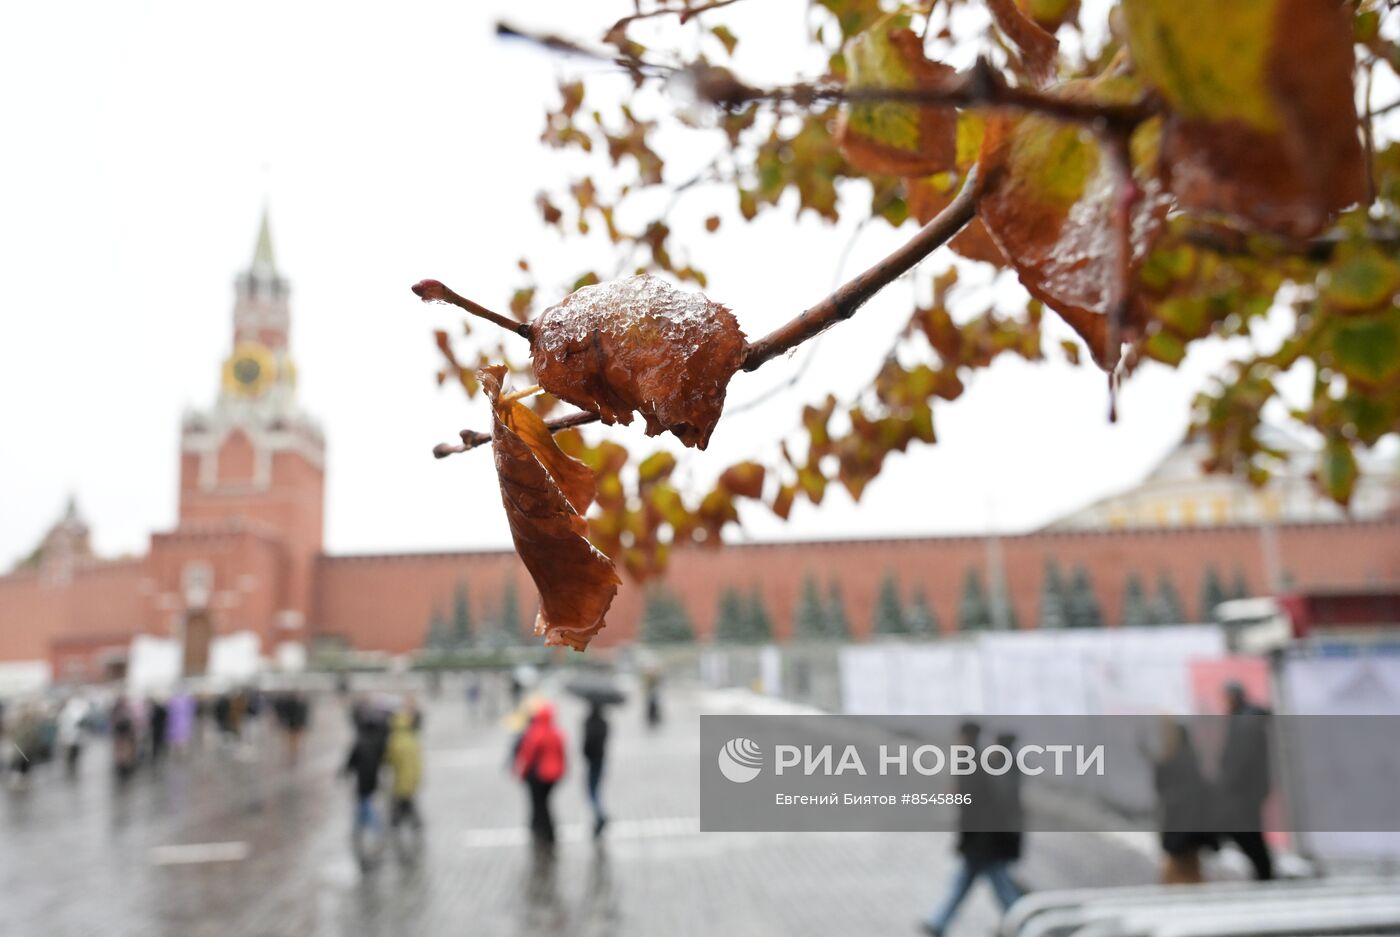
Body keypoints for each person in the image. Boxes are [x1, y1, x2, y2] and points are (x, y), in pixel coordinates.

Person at [922, 722, 1022, 936]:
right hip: (985, 840)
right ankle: (938, 922)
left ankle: (1022, 923)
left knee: (998, 885)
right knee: (973, 883)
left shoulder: (974, 763)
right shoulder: (985, 763)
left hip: (984, 841)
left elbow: (975, 807)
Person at [1218, 681, 1273, 880]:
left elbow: (1241, 758)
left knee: (1246, 832)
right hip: (1247, 791)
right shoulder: (1244, 719)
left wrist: (1228, 781)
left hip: (1244, 792)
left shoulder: (1246, 721)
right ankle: (1264, 871)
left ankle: (1265, 872)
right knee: (1249, 833)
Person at [1152, 718, 1217, 884]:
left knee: (1178, 864)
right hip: (1192, 823)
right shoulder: (1190, 758)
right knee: (1189, 864)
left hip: (1181, 821)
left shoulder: (1173, 759)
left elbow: (1161, 786)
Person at [514, 701, 566, 846]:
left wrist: (522, 773)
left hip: (538, 775)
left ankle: (541, 829)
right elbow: (562, 755)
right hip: (553, 776)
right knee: (545, 803)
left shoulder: (535, 732)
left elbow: (527, 756)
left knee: (539, 804)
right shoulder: (556, 732)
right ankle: (547, 830)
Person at [344, 706, 389, 869]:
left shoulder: (360, 741)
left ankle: (372, 828)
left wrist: (344, 772)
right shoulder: (379, 740)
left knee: (364, 804)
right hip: (372, 780)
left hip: (363, 780)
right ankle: (363, 827)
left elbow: (350, 760)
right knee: (365, 803)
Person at [384, 703, 424, 859]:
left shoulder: (395, 740)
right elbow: (418, 761)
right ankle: (413, 823)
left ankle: (396, 825)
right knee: (408, 802)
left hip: (401, 779)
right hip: (412, 778)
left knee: (401, 803)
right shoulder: (412, 738)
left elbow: (389, 759)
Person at [582, 702, 610, 837]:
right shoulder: (604, 723)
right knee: (596, 789)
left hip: (592, 761)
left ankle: (599, 814)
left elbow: (586, 745)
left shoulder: (589, 723)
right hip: (601, 759)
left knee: (592, 791)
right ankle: (599, 813)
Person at [57, 694, 89, 778]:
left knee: (72, 753)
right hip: (71, 737)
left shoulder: (69, 713)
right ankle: (71, 766)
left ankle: (71, 765)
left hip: (73, 737)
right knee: (71, 753)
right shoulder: (69, 713)